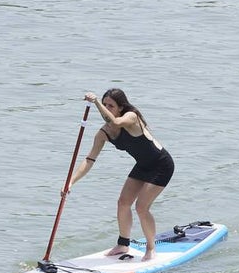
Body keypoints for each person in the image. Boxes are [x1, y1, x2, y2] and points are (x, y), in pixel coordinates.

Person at [63, 88, 174, 262]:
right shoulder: (103, 133)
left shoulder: (131, 117)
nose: (107, 109)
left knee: (141, 207)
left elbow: (114, 121)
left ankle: (151, 249)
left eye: (111, 106)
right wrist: (70, 182)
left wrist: (97, 102)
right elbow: (89, 160)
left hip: (161, 165)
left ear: (121, 108)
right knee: (123, 203)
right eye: (105, 105)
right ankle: (123, 244)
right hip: (143, 165)